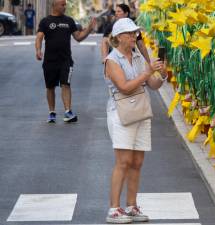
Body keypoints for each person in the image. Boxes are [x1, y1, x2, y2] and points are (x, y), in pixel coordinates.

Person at [104, 18, 167, 224]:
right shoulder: (112, 60)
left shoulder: (138, 56)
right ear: (119, 37)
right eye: (130, 34)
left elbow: (153, 85)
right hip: (121, 114)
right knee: (123, 162)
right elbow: (124, 87)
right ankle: (114, 209)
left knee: (137, 162)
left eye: (135, 33)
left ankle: (131, 206)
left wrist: (162, 75)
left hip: (140, 112)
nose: (134, 37)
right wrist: (147, 72)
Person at [35, 0, 96, 123]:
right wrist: (38, 50)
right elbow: (39, 37)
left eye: (65, 5)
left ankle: (68, 112)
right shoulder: (45, 21)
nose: (64, 7)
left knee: (66, 84)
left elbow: (78, 37)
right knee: (50, 87)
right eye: (62, 5)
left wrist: (89, 29)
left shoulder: (69, 21)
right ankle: (51, 112)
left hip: (65, 60)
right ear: (55, 5)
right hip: (50, 61)